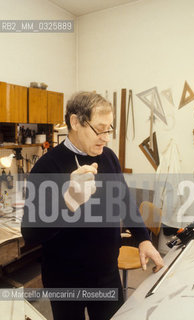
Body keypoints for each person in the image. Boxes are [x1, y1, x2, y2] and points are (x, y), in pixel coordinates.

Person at [21, 91, 164, 320]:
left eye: (110, 128)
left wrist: (143, 238)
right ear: (76, 122)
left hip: (106, 272)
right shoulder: (47, 167)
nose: (106, 137)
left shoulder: (108, 157)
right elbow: (30, 234)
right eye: (100, 129)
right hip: (65, 280)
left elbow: (124, 200)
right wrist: (68, 202)